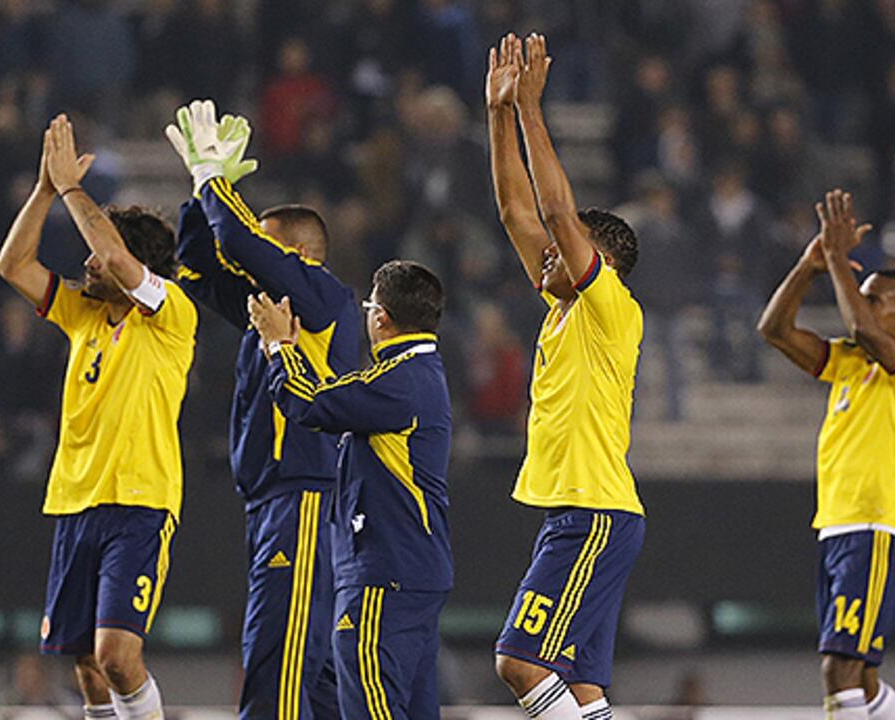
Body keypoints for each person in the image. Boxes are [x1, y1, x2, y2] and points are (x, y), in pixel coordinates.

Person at [0, 113, 196, 720]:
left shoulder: (170, 315)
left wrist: (73, 190)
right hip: (76, 499)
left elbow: (111, 252)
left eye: (100, 256)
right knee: (84, 662)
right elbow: (13, 265)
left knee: (116, 656)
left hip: (139, 501)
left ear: (135, 264)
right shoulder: (82, 314)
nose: (88, 262)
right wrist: (44, 191)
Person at [166, 99, 361, 719]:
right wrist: (199, 197)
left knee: (276, 663)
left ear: (299, 254)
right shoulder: (268, 313)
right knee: (316, 677)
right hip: (274, 501)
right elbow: (196, 269)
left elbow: (237, 241)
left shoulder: (322, 298)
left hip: (303, 498)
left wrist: (212, 178)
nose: (249, 263)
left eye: (266, 250)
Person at [487, 33, 645, 720]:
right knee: (582, 691)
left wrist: (530, 108)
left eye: (566, 246)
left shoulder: (609, 305)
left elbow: (553, 211)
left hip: (593, 515)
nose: (548, 250)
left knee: (519, 662)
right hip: (587, 512)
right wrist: (497, 112)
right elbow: (517, 213)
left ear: (597, 262)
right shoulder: (564, 309)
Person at [249, 260, 452, 720]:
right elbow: (334, 394)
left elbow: (308, 403)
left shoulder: (399, 381)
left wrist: (279, 346)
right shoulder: (420, 374)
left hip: (382, 574)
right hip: (414, 574)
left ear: (381, 318)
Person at [757, 190, 895, 720]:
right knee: (864, 678)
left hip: (876, 525)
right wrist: (808, 266)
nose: (859, 302)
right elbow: (774, 330)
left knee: (839, 669)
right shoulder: (849, 362)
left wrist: (835, 259)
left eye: (873, 297)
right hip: (837, 525)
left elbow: (860, 328)